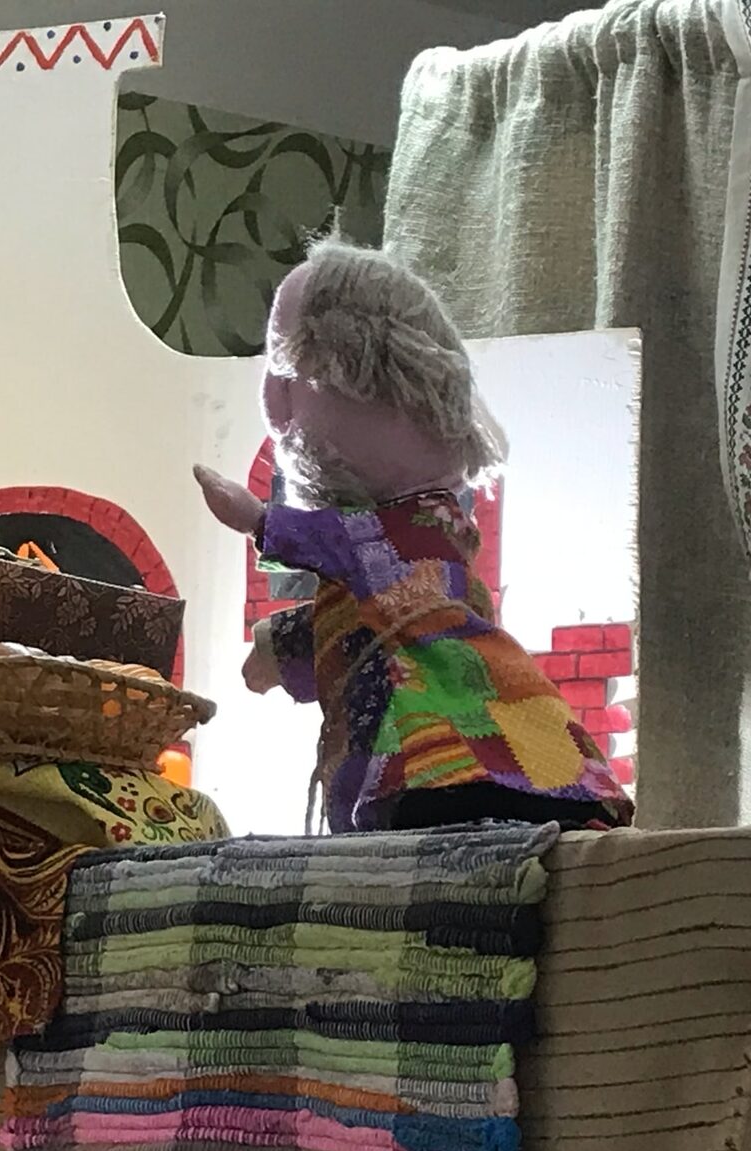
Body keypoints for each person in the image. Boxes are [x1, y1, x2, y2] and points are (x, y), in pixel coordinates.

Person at [194, 238, 633, 835]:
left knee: (444, 771)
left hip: (429, 703)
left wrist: (256, 519)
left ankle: (515, 815)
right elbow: (357, 614)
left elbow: (353, 560)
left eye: (295, 376)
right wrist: (282, 648)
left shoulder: (399, 530)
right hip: (399, 702)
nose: (277, 405)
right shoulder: (428, 531)